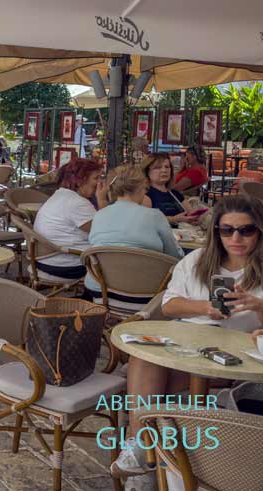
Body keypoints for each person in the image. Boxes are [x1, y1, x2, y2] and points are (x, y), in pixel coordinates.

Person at [111, 195, 263, 479]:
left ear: (260, 231)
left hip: (238, 358)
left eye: (247, 230)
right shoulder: (196, 261)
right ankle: (146, 446)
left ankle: (152, 457)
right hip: (186, 344)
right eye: (227, 230)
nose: (236, 238)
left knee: (151, 385)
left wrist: (258, 306)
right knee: (144, 358)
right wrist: (205, 308)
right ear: (216, 231)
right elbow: (169, 305)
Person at [87, 164, 184, 303]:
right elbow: (174, 256)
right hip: (146, 293)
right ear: (140, 187)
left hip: (100, 290)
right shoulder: (155, 216)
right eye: (145, 189)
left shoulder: (99, 215)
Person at [32, 158, 108, 282]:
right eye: (96, 178)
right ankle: (97, 298)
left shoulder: (62, 195)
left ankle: (89, 296)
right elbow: (105, 233)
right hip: (64, 264)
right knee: (118, 262)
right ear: (80, 179)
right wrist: (102, 200)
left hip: (47, 259)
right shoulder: (77, 203)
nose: (100, 183)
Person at [141, 153, 197, 224]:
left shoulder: (175, 194)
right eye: (158, 167)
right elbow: (146, 221)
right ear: (147, 172)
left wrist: (194, 219)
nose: (164, 170)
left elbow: (191, 214)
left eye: (167, 167)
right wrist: (173, 219)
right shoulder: (145, 195)